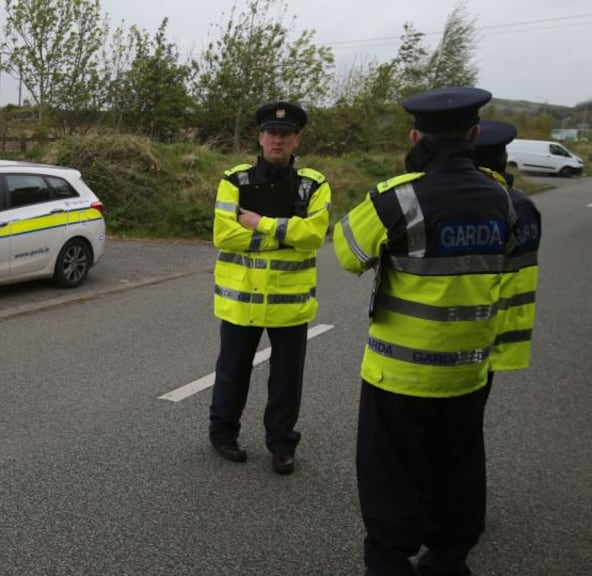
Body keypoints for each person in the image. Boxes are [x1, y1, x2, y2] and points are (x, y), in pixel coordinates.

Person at [333, 87, 518, 576]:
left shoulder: (399, 196)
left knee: (390, 475)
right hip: (468, 372)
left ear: (415, 138)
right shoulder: (504, 198)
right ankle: (448, 560)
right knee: (458, 470)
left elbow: (348, 252)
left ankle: (392, 562)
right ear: (475, 135)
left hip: (399, 373)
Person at [208, 101, 332, 475]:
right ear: (260, 137)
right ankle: (222, 435)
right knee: (232, 373)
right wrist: (283, 234)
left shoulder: (314, 184)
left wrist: (259, 223)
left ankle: (281, 445)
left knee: (286, 381)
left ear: (297, 140)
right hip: (240, 302)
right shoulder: (235, 180)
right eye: (271, 133)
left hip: (289, 305)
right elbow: (224, 235)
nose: (278, 140)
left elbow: (313, 236)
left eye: (286, 134)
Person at [473, 119, 541, 375]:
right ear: (502, 158)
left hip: (450, 339)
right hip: (498, 338)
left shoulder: (449, 200)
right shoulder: (522, 206)